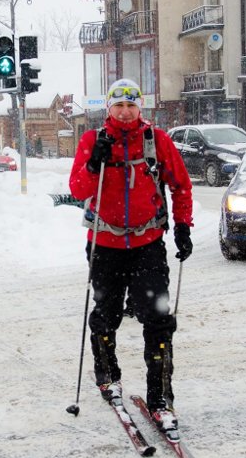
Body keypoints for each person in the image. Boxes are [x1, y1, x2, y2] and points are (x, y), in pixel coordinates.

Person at [69, 78, 194, 437]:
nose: (125, 112)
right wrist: (95, 164)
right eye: (118, 106)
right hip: (105, 244)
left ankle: (160, 398)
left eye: (131, 106)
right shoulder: (92, 141)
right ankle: (107, 375)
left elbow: (181, 184)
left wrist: (183, 225)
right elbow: (78, 189)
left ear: (141, 108)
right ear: (109, 109)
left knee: (157, 320)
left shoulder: (156, 141)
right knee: (106, 315)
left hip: (147, 244)